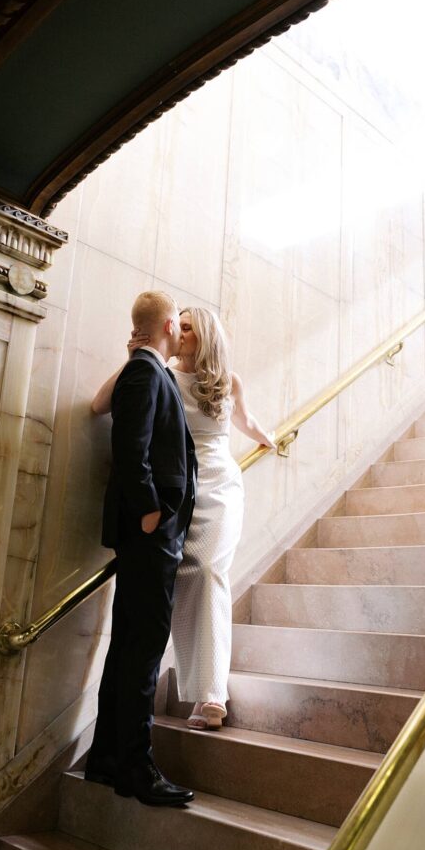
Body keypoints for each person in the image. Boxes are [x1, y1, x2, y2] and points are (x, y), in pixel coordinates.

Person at [91, 306, 274, 734]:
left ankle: (211, 691)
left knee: (210, 571)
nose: (180, 333)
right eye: (179, 326)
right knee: (183, 577)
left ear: (205, 335)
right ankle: (199, 689)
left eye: (188, 328)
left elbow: (244, 420)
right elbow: (99, 404)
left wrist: (268, 439)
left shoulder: (229, 382)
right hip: (179, 490)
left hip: (221, 487)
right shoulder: (161, 375)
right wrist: (136, 356)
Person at [84, 291, 198, 807]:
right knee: (144, 650)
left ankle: (108, 759)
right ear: (170, 324)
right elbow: (130, 448)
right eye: (181, 326)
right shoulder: (146, 374)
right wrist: (152, 511)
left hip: (149, 535)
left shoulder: (149, 371)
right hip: (151, 535)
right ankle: (135, 766)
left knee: (130, 647)